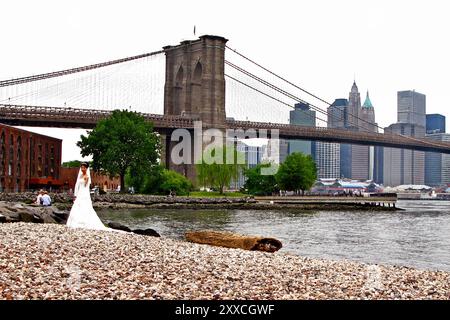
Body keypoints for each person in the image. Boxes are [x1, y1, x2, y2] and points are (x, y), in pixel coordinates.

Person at [66, 162, 110, 231]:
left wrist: (86, 180)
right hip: (80, 192)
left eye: (84, 167)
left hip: (84, 193)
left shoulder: (87, 176)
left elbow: (86, 186)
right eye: (81, 167)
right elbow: (77, 185)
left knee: (84, 206)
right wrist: (76, 194)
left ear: (86, 168)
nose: (82, 168)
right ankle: (75, 221)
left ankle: (84, 222)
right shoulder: (80, 176)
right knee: (77, 206)